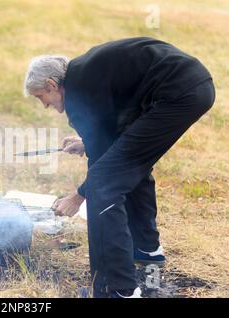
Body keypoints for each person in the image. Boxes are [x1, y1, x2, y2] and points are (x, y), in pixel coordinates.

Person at [23, 37, 215, 298]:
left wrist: (77, 196)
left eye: (41, 97)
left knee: (104, 188)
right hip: (194, 86)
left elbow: (105, 165)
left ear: (51, 84)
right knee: (132, 163)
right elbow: (114, 136)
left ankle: (117, 289)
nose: (44, 104)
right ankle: (147, 251)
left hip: (175, 94)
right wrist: (86, 143)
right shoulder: (87, 74)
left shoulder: (79, 88)